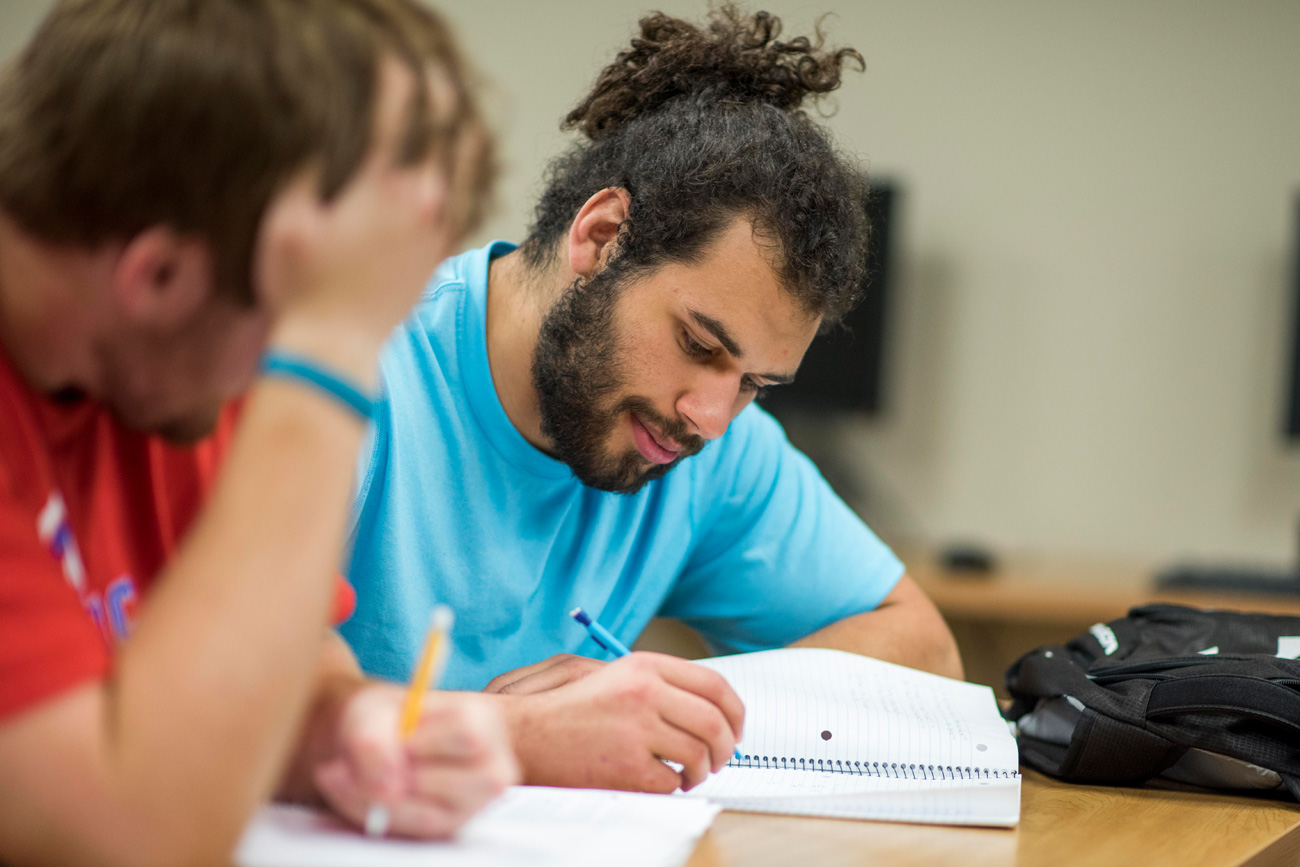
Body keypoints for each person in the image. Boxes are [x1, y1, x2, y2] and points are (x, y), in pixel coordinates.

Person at [341, 5, 962, 797]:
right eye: (701, 344)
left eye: (753, 384)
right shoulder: (357, 370)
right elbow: (177, 695)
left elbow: (923, 646)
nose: (711, 417)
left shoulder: (709, 448)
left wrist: (672, 705)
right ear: (601, 237)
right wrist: (521, 735)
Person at [0, 2, 517, 864]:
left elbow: (297, 650)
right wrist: (327, 352)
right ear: (159, 274)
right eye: (303, 316)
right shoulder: (203, 366)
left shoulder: (161, 372)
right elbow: (129, 839)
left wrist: (346, 725)